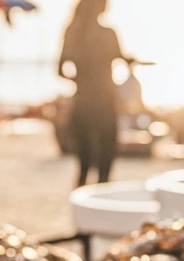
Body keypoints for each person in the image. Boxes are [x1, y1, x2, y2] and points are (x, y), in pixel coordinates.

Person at [59, 0, 126, 187]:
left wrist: (80, 81)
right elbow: (121, 59)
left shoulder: (73, 33)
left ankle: (81, 201)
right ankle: (101, 202)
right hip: (105, 100)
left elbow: (60, 70)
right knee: (106, 161)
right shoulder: (108, 33)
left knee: (83, 164)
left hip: (82, 101)